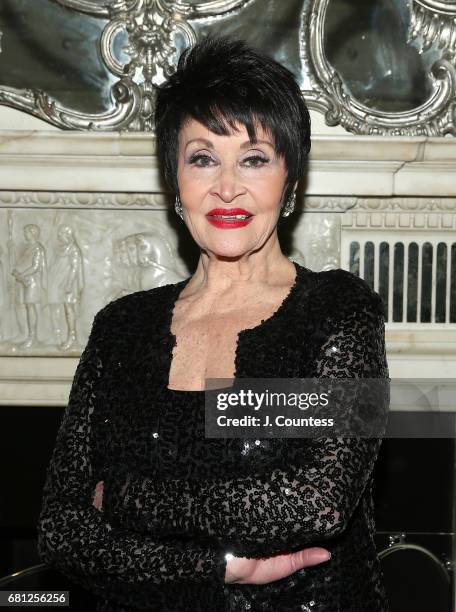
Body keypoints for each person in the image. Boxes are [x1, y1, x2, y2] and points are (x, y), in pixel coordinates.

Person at [37, 35, 390, 611]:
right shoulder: (120, 328)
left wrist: (127, 499)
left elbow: (316, 501)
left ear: (291, 182)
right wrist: (215, 568)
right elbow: (62, 528)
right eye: (203, 158)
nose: (228, 186)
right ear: (176, 184)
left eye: (254, 158)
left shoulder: (340, 312)